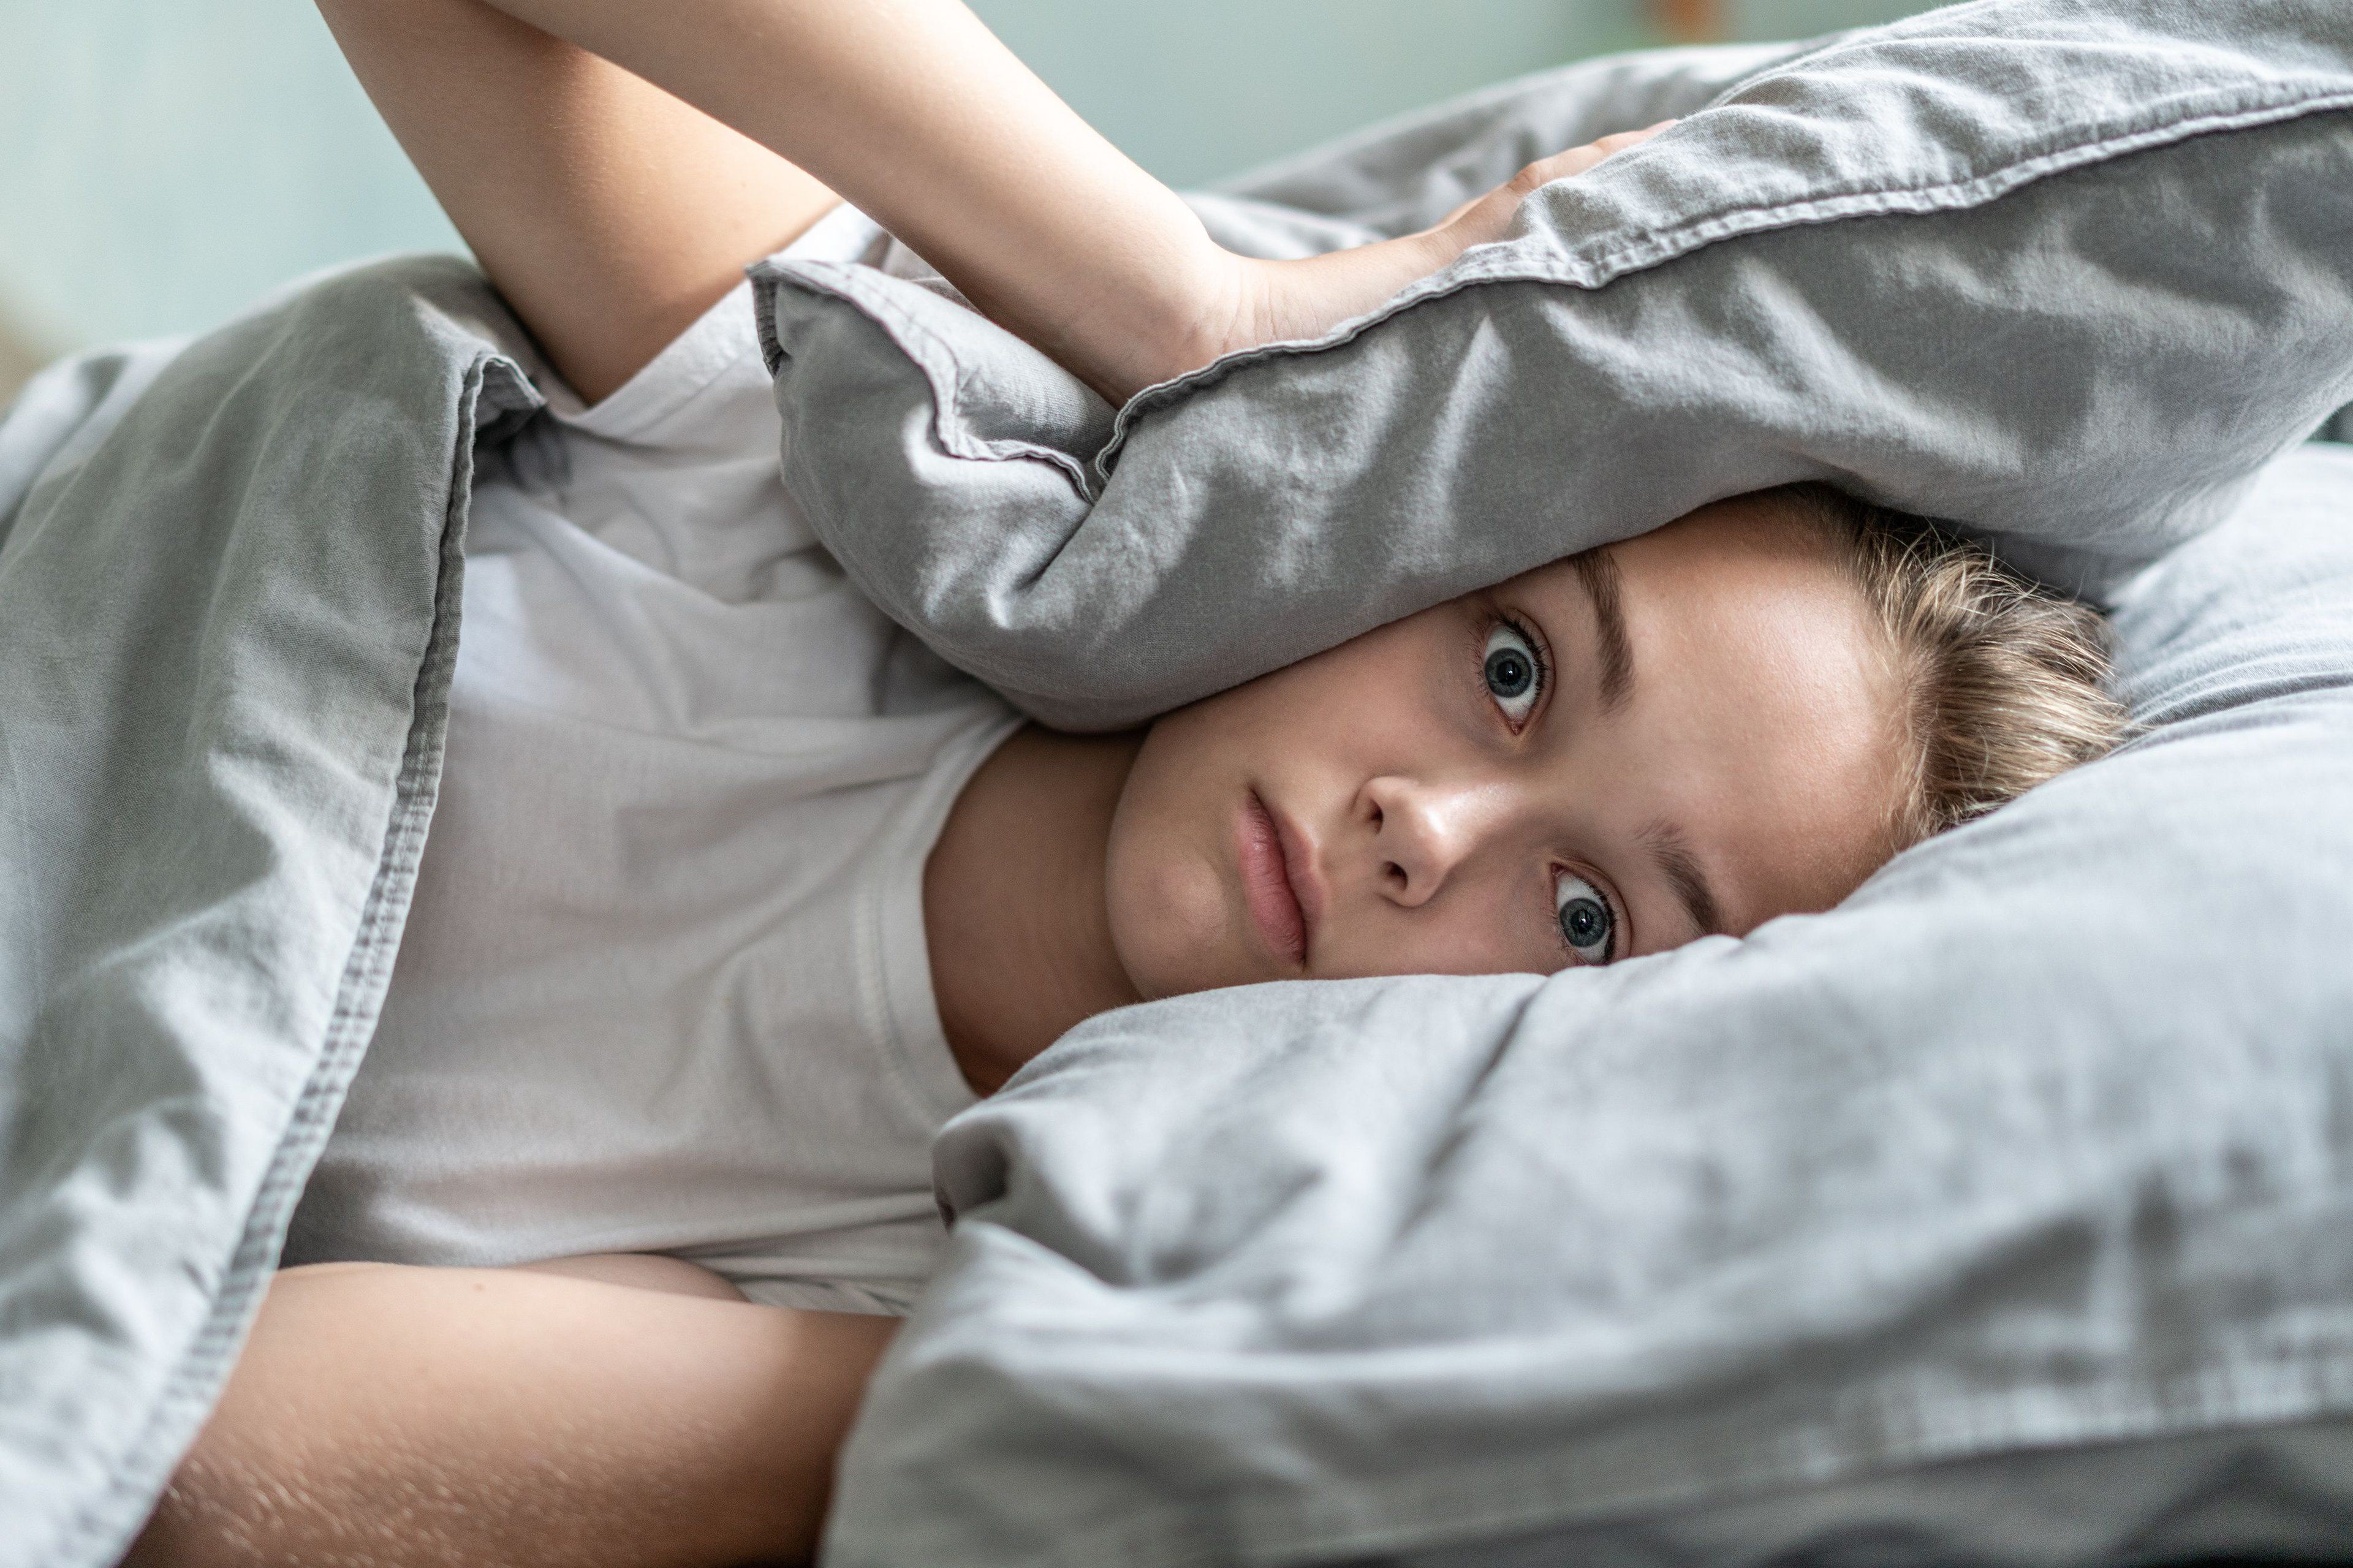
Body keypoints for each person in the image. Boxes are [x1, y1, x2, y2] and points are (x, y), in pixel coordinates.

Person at [129, 1, 2128, 1564]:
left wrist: (1102, 1371)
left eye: (1589, 921)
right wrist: (1192, 310)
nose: (1430, 828)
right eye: (1510, 666)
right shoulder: (851, 462)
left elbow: (162, 1457)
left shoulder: (916, 1268)